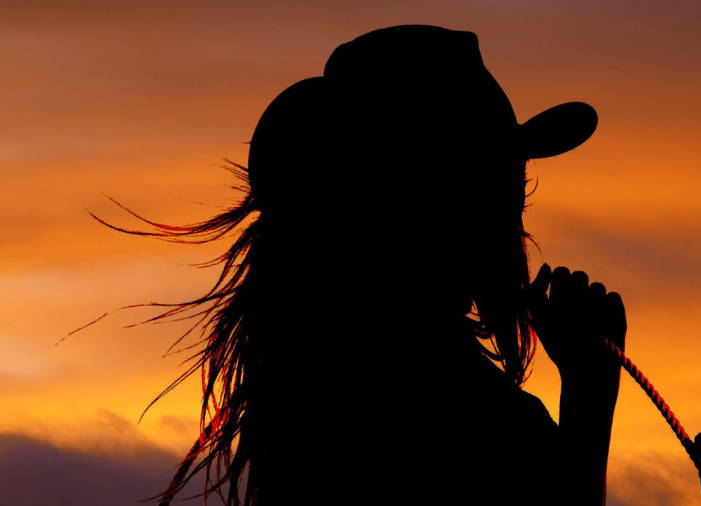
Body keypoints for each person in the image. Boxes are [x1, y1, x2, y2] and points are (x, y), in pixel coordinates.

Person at [114, 24, 626, 505]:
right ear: (430, 197)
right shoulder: (441, 394)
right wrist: (590, 385)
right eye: (500, 185)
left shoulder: (310, 377)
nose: (513, 217)